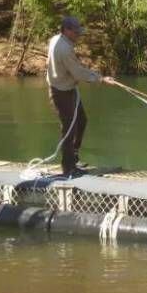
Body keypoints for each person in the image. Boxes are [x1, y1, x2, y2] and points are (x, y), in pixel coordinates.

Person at [45, 16, 114, 177]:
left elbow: (74, 69)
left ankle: (73, 157)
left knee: (81, 121)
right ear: (67, 30)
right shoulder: (64, 48)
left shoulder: (57, 40)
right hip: (60, 92)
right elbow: (77, 72)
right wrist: (101, 79)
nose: (78, 35)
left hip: (68, 88)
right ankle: (68, 167)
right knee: (69, 129)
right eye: (76, 32)